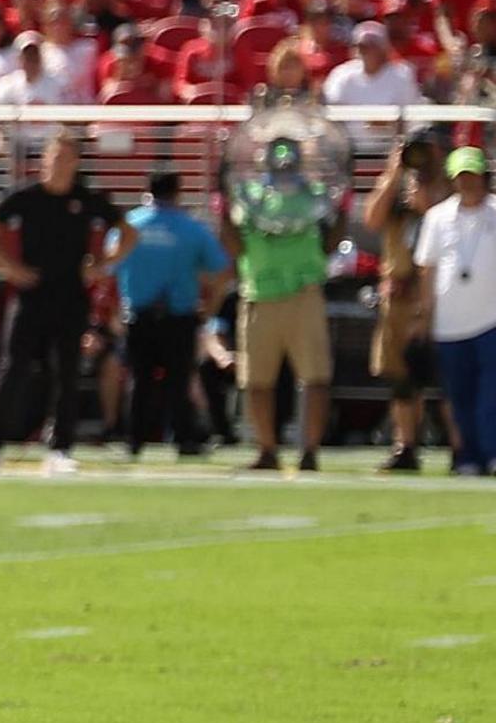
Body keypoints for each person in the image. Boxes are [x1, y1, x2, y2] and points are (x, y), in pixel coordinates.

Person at [0, 133, 126, 475]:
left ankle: (60, 448)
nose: (57, 164)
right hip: (30, 295)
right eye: (52, 157)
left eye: (65, 157)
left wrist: (102, 265)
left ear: (75, 162)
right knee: (12, 368)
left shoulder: (86, 198)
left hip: (70, 295)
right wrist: (10, 267)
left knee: (66, 371)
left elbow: (127, 232)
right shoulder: (26, 196)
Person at [224, 123, 340, 476]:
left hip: (303, 292)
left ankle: (309, 449)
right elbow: (235, 246)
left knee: (315, 376)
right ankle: (267, 448)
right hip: (259, 292)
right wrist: (221, 207)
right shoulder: (250, 197)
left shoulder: (315, 194)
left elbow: (329, 242)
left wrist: (343, 209)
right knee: (256, 381)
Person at [113, 168, 231, 458]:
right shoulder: (191, 228)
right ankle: (183, 439)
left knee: (139, 380)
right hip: (179, 315)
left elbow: (111, 263)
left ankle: (134, 439)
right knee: (179, 379)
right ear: (177, 192)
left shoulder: (130, 224)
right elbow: (222, 271)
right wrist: (211, 308)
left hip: (138, 313)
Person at [364, 132, 444, 474]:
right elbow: (372, 219)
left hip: (432, 296)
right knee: (398, 376)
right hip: (396, 297)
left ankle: (458, 443)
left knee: (439, 374)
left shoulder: (443, 192)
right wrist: (395, 172)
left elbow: (441, 218)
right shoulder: (396, 193)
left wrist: (427, 200)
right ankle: (405, 443)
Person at [413, 147, 496, 475]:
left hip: (491, 320)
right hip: (449, 323)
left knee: (490, 395)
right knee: (459, 397)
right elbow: (427, 268)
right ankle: (468, 456)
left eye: (473, 176)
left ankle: (491, 453)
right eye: (462, 177)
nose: (468, 183)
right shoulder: (437, 217)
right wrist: (425, 317)